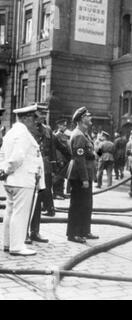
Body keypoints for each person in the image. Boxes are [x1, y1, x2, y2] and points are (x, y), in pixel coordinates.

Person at [0, 105, 45, 256]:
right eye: (33, 118)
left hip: (11, 180)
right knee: (20, 213)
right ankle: (17, 246)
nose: (35, 122)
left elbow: (2, 154)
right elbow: (18, 157)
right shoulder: (23, 134)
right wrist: (7, 169)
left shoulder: (11, 133)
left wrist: (3, 170)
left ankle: (7, 244)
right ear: (25, 118)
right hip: (22, 179)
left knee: (10, 212)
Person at [66, 107, 99, 243]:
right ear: (81, 119)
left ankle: (84, 231)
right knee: (78, 204)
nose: (90, 118)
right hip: (80, 176)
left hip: (85, 174)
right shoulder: (79, 135)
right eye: (87, 116)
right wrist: (85, 179)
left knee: (86, 204)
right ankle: (74, 234)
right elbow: (80, 159)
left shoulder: (84, 134)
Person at [28, 104, 57, 244]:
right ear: (34, 115)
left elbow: (51, 150)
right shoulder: (27, 129)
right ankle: (24, 232)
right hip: (30, 168)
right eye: (41, 114)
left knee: (39, 201)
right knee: (27, 201)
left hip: (44, 168)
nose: (43, 116)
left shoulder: (48, 130)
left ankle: (35, 231)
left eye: (45, 113)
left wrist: (53, 167)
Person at [53, 119, 71, 200]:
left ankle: (61, 192)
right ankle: (57, 193)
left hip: (65, 158)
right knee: (58, 176)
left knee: (62, 176)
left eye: (65, 125)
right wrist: (59, 159)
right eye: (63, 125)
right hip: (60, 158)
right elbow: (57, 149)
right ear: (59, 126)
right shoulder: (57, 135)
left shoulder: (65, 135)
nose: (64, 127)